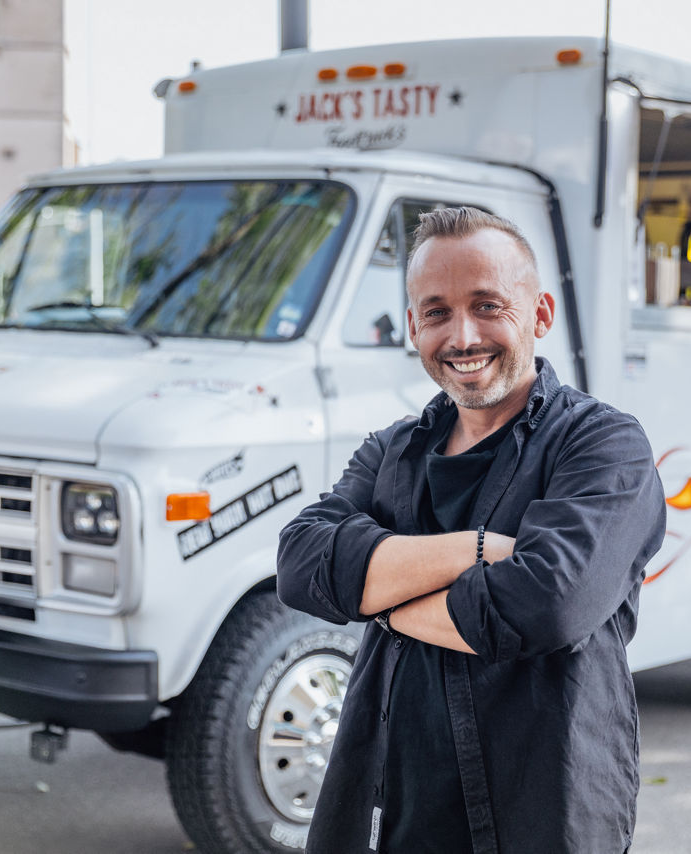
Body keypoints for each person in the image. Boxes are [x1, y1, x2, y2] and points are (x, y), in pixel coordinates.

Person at [277, 207, 666, 854]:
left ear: (540, 314)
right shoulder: (392, 451)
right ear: (412, 326)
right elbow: (300, 564)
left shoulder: (603, 444)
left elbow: (548, 604)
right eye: (436, 312)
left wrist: (382, 600)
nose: (462, 336)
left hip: (543, 812)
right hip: (393, 808)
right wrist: (477, 551)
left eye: (488, 306)